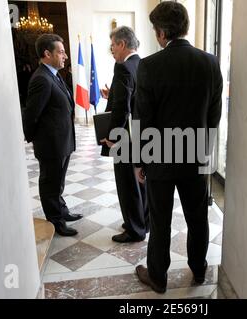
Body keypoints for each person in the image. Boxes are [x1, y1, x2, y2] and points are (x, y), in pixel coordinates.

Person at [134, 2, 223, 293]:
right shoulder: (210, 62)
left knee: (160, 221)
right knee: (197, 217)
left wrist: (139, 161)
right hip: (197, 156)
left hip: (160, 158)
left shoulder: (149, 66)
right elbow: (213, 115)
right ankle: (199, 270)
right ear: (184, 28)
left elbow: (142, 121)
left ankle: (158, 276)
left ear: (161, 33)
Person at [22, 34, 82, 237]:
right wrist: (35, 140)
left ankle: (62, 211)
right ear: (47, 54)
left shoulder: (54, 74)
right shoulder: (41, 79)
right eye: (61, 52)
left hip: (62, 141)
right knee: (50, 183)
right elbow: (32, 114)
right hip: (51, 144)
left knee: (58, 182)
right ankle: (55, 222)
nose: (65, 56)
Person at [100, 26, 149, 243]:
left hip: (126, 137)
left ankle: (134, 229)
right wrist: (113, 94)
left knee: (127, 183)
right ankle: (143, 222)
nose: (112, 50)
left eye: (112, 46)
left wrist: (113, 136)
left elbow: (121, 107)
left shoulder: (122, 68)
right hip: (143, 134)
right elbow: (134, 98)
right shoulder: (143, 64)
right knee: (140, 181)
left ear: (121, 44)